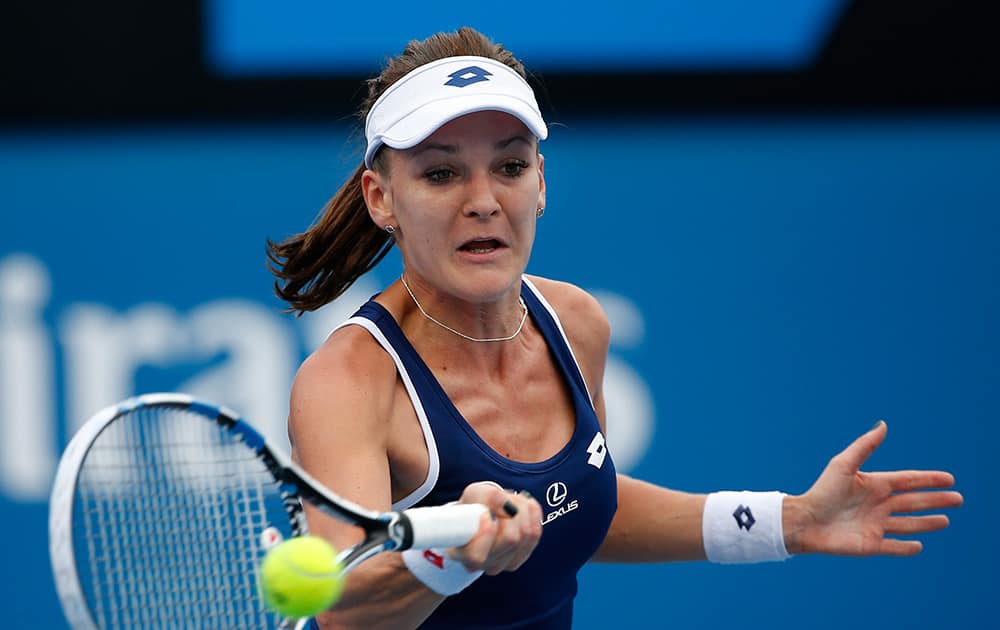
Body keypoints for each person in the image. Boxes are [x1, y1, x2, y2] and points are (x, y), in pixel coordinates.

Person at [266, 27, 963, 630]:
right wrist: (451, 554)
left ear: (540, 182)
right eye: (442, 174)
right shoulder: (349, 382)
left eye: (509, 166)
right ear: (381, 197)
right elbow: (344, 612)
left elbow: (580, 506)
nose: (483, 202)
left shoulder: (576, 323)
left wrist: (788, 522)